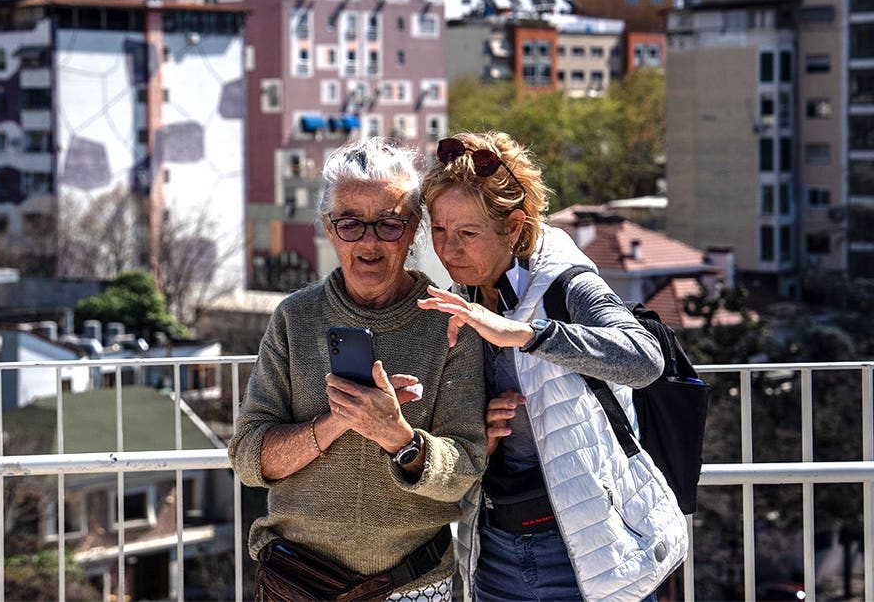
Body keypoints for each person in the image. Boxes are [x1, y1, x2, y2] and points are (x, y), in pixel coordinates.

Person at [416, 131, 688, 601]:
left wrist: (526, 334)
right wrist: (481, 431)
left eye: (467, 233)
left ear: (515, 228)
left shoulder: (566, 283)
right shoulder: (460, 299)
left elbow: (645, 359)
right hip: (495, 551)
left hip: (592, 552)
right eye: (439, 230)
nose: (448, 249)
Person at [229, 138, 487, 601]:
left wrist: (397, 437)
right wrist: (336, 422)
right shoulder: (295, 318)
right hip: (298, 583)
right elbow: (248, 457)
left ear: (413, 232)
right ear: (329, 229)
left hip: (414, 585)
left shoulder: (451, 324)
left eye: (389, 224)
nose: (369, 241)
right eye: (350, 224)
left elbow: (465, 469)